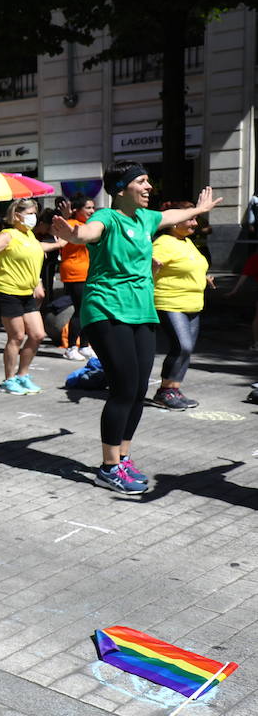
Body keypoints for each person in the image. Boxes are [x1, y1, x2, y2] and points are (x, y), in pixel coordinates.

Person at [51, 162, 219, 494]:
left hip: (142, 313)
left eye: (148, 182)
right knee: (124, 388)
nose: (148, 187)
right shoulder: (106, 217)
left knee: (139, 389)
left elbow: (169, 217)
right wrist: (72, 234)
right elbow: (87, 233)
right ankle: (108, 467)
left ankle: (123, 457)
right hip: (107, 310)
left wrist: (200, 208)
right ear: (120, 189)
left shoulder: (146, 218)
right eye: (141, 182)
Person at [0, 200, 65, 395]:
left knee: (37, 335)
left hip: (27, 293)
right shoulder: (7, 235)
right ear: (17, 215)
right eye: (31, 213)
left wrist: (60, 242)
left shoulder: (29, 236)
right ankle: (8, 380)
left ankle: (22, 375)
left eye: (35, 213)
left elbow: (39, 248)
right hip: (8, 291)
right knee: (16, 336)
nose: (34, 217)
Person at [151, 201, 212, 410]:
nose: (195, 223)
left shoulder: (186, 242)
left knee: (187, 350)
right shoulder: (163, 243)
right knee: (182, 346)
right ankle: (164, 392)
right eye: (191, 218)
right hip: (170, 302)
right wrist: (152, 268)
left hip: (193, 303)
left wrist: (204, 276)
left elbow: (190, 265)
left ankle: (174, 389)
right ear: (174, 222)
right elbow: (145, 268)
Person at [59, 196, 96, 360]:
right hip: (75, 272)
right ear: (77, 210)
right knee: (80, 309)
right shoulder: (72, 225)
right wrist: (66, 217)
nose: (92, 211)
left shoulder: (87, 225)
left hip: (88, 272)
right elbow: (60, 233)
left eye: (93, 208)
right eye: (88, 208)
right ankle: (72, 347)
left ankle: (85, 345)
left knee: (88, 310)